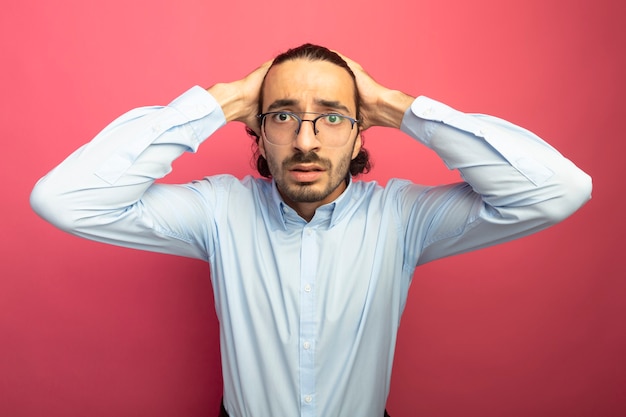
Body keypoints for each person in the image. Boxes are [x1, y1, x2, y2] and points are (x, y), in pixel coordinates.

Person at [30, 43, 592, 417]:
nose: (305, 141)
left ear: (360, 132)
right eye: (282, 116)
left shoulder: (401, 218)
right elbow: (65, 200)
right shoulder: (218, 210)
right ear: (256, 128)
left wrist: (396, 106)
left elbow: (559, 190)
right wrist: (218, 102)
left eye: (332, 116)